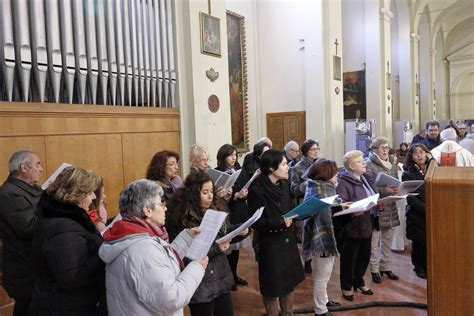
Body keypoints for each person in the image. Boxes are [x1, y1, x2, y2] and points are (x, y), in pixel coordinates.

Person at [99, 179, 208, 315]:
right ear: (147, 210)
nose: (165, 208)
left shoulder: (132, 237)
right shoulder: (142, 248)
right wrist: (196, 268)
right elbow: (171, 299)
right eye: (161, 204)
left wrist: (186, 239)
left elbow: (159, 265)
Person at [31, 166, 106, 315]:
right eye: (90, 192)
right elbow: (71, 277)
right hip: (67, 307)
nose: (94, 197)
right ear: (77, 194)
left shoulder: (64, 218)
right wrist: (105, 252)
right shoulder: (64, 227)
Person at [166, 172, 235, 316]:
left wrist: (240, 231)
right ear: (193, 194)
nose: (210, 196)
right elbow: (188, 255)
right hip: (200, 281)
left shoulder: (214, 209)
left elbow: (224, 233)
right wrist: (217, 248)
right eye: (205, 192)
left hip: (220, 276)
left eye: (212, 191)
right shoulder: (181, 217)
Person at [248, 149, 305, 316]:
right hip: (270, 244)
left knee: (288, 283)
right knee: (272, 287)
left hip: (287, 241)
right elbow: (255, 222)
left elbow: (288, 209)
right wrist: (279, 222)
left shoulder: (283, 184)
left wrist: (304, 211)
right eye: (284, 164)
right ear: (272, 168)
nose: (288, 167)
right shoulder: (257, 190)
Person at [0, 151, 43, 316]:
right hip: (23, 268)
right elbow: (28, 227)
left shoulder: (32, 189)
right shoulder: (10, 193)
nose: (41, 169)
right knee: (28, 308)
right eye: (37, 164)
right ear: (24, 168)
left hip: (33, 264)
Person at [302, 159, 344, 316]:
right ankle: (320, 310)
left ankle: (324, 300)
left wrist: (342, 206)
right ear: (326, 174)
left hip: (328, 235)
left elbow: (331, 208)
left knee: (325, 274)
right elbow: (322, 213)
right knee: (321, 276)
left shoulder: (324, 187)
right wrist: (339, 207)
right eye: (334, 171)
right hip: (320, 238)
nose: (337, 173)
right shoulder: (319, 190)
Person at [335, 150, 375, 301]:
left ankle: (359, 281)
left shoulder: (364, 178)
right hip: (352, 226)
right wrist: (354, 210)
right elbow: (342, 204)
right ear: (351, 166)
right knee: (349, 259)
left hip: (366, 223)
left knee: (364, 256)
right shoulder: (343, 183)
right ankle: (346, 287)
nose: (364, 163)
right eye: (360, 161)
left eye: (363, 160)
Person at [364, 137, 400, 284]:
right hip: (377, 207)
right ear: (375, 149)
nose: (386, 150)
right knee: (374, 241)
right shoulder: (369, 164)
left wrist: (398, 189)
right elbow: (369, 186)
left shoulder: (392, 164)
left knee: (387, 240)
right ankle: (374, 269)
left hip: (390, 204)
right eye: (382, 147)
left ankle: (385, 266)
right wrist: (385, 190)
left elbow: (396, 180)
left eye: (387, 147)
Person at [216, 144, 249, 290]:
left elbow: (243, 187)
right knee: (226, 249)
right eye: (230, 155)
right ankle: (227, 278)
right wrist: (230, 195)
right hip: (224, 213)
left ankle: (234, 275)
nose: (234, 157)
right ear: (223, 157)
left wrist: (242, 194)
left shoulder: (239, 171)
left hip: (238, 212)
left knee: (235, 248)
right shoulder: (217, 172)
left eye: (235, 154)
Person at [290, 139, 321, 273]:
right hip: (305, 201)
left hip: (319, 200)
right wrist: (305, 184)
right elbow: (293, 190)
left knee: (318, 231)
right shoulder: (297, 168)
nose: (316, 152)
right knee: (305, 233)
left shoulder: (320, 164)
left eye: (317, 149)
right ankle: (307, 259)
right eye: (313, 149)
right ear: (306, 152)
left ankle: (318, 257)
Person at [402, 144, 431, 279]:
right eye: (415, 153)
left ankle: (429, 266)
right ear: (411, 157)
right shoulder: (407, 173)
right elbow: (410, 197)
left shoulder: (435, 169)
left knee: (430, 242)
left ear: (427, 154)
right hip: (417, 213)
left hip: (434, 212)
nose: (419, 155)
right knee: (419, 242)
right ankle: (419, 267)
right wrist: (427, 209)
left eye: (421, 152)